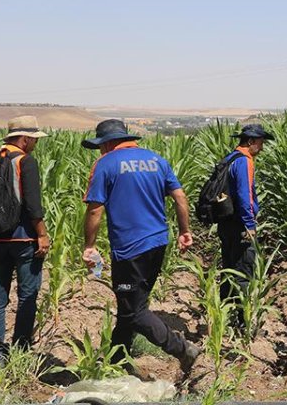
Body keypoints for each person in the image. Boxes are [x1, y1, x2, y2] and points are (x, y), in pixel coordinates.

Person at [81, 119, 201, 377]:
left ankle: (182, 349)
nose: (100, 152)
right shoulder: (156, 160)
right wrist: (184, 231)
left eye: (101, 146)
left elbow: (95, 209)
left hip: (130, 249)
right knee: (131, 304)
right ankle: (117, 359)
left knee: (134, 311)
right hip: (158, 243)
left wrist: (89, 246)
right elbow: (180, 197)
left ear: (108, 143)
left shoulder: (106, 164)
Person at [0, 116, 51, 363]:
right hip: (24, 239)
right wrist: (42, 234)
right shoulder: (25, 162)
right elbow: (33, 205)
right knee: (27, 294)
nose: (35, 144)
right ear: (25, 140)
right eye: (34, 140)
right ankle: (21, 350)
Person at [216, 123, 274, 327]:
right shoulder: (244, 162)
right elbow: (244, 196)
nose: (262, 147)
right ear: (250, 141)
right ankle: (241, 322)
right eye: (260, 143)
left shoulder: (230, 158)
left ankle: (225, 316)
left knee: (230, 267)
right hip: (240, 224)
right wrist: (250, 225)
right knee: (243, 271)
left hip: (226, 223)